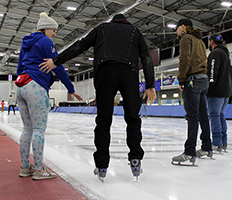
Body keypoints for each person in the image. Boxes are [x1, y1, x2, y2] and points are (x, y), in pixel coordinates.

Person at [39, 13, 156, 180]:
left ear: (113, 21)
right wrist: (150, 85)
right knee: (133, 118)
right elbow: (147, 58)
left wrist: (56, 61)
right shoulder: (134, 31)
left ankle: (101, 165)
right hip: (128, 73)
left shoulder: (102, 28)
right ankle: (136, 159)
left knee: (103, 120)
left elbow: (79, 46)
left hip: (105, 72)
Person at [16, 12, 82, 180]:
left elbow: (19, 66)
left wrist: (20, 81)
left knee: (26, 129)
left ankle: (25, 167)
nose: (54, 34)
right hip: (36, 87)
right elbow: (57, 65)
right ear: (45, 29)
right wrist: (70, 88)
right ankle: (39, 170)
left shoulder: (26, 43)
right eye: (53, 30)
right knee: (38, 129)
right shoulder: (46, 41)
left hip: (21, 85)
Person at [172, 18, 212, 165]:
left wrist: (181, 80)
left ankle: (189, 152)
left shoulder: (186, 38)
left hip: (192, 80)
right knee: (203, 115)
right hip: (203, 79)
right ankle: (207, 147)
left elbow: (185, 59)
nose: (176, 32)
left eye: (177, 29)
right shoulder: (200, 41)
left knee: (192, 117)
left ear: (182, 26)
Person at [207, 34, 232, 152]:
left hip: (216, 91)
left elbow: (212, 72)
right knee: (220, 115)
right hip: (226, 91)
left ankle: (217, 142)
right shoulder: (226, 54)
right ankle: (223, 141)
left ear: (211, 42)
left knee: (214, 116)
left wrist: (209, 86)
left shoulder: (215, 53)